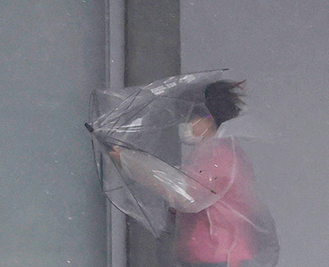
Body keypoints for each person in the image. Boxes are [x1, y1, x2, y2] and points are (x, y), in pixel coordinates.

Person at [112, 80, 279, 267]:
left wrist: (130, 161)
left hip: (218, 255)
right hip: (212, 255)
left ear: (207, 118)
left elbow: (187, 195)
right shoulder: (213, 152)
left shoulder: (218, 154)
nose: (183, 124)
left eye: (188, 118)